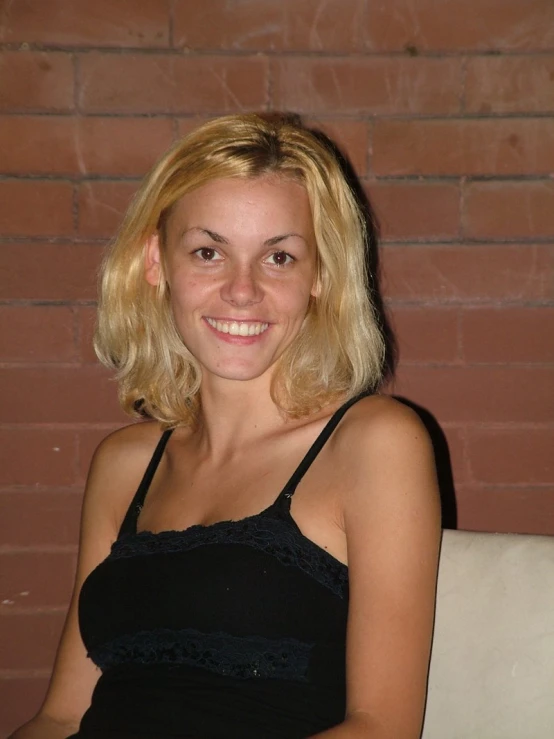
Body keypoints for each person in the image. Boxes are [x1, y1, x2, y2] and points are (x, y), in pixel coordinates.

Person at [10, 113, 441, 739]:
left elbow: (382, 727)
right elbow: (60, 716)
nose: (242, 291)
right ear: (157, 262)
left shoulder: (374, 443)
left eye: (280, 257)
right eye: (209, 252)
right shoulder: (125, 463)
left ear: (320, 275)